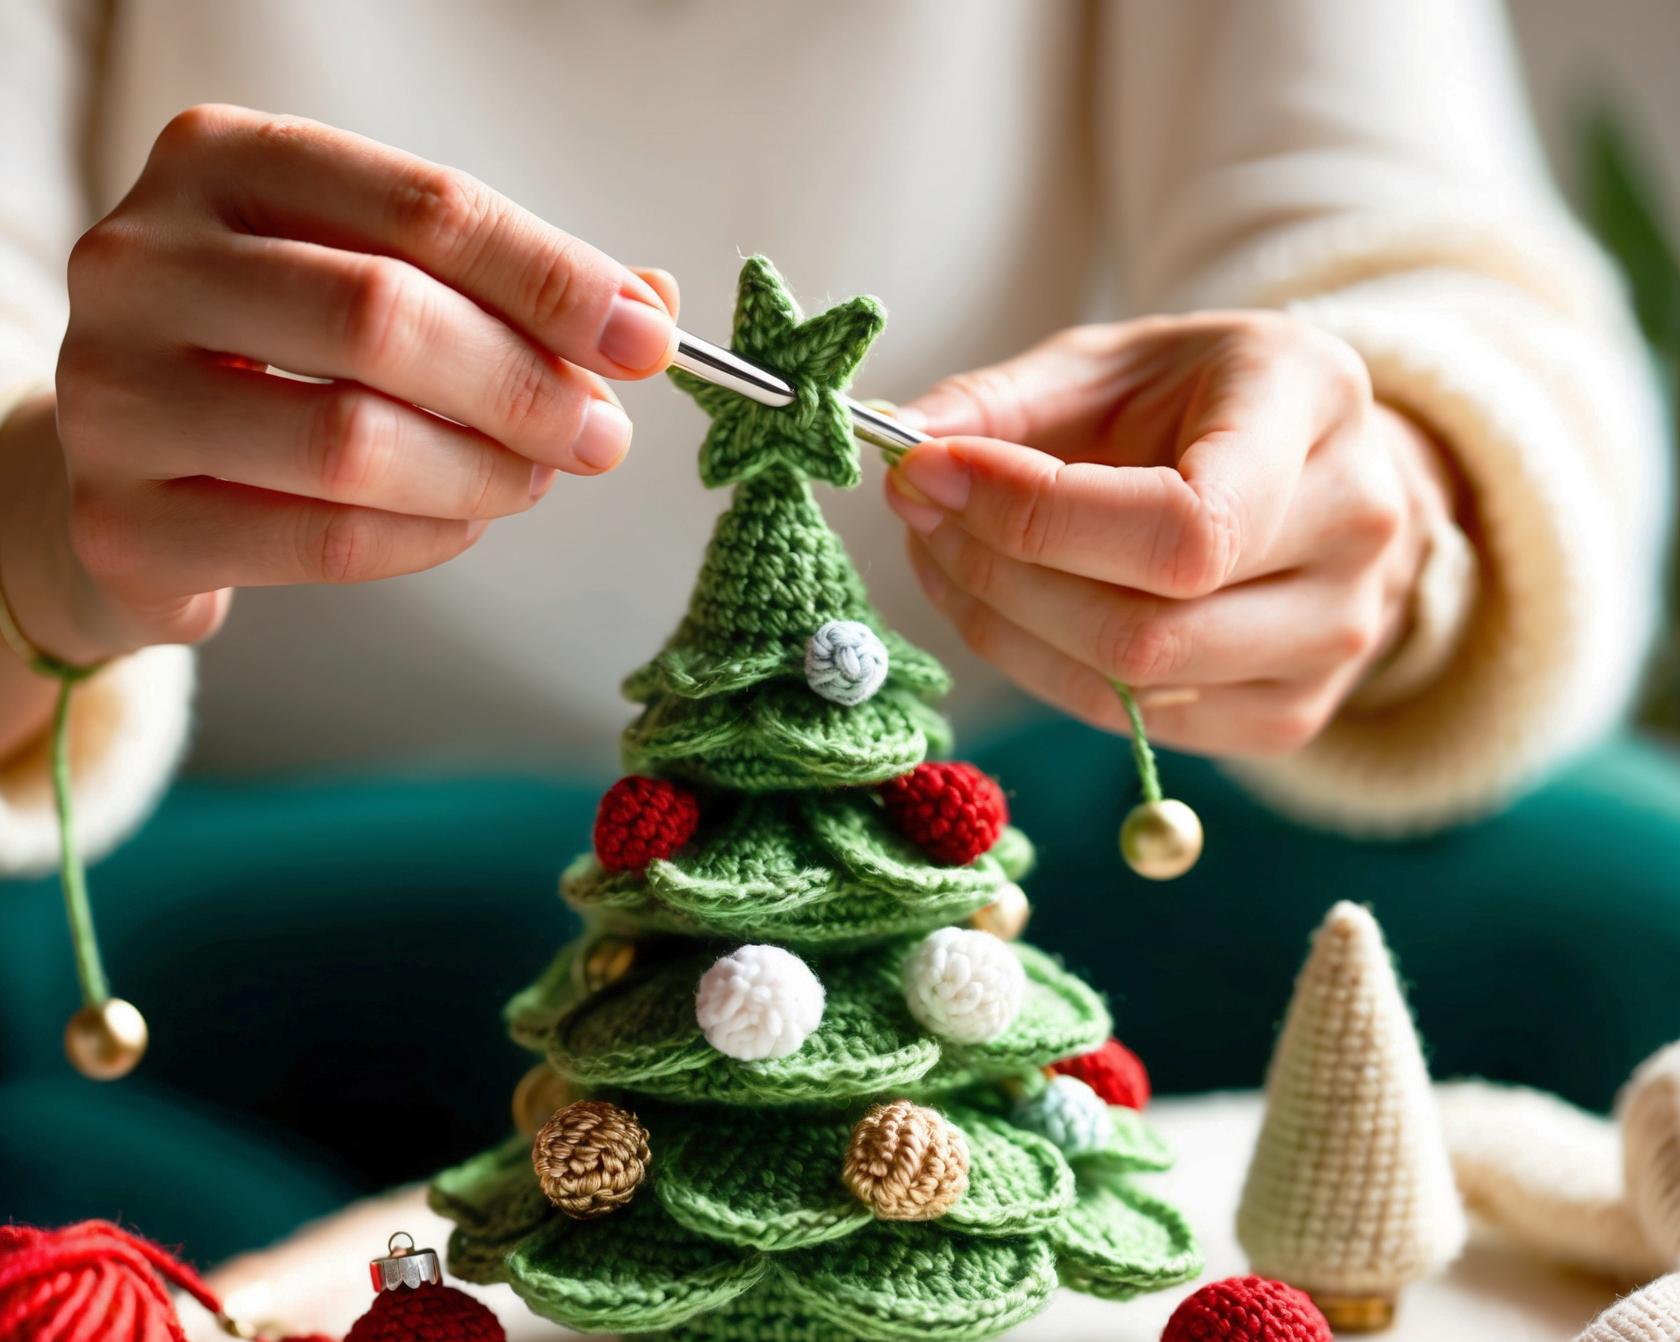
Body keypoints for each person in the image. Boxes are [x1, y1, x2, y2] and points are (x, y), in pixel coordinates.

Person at [0, 0, 1670, 1259]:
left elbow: (1431, 251)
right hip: (184, 903)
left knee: (1621, 903)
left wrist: (1392, 499)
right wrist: (41, 527)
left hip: (1001, 827)